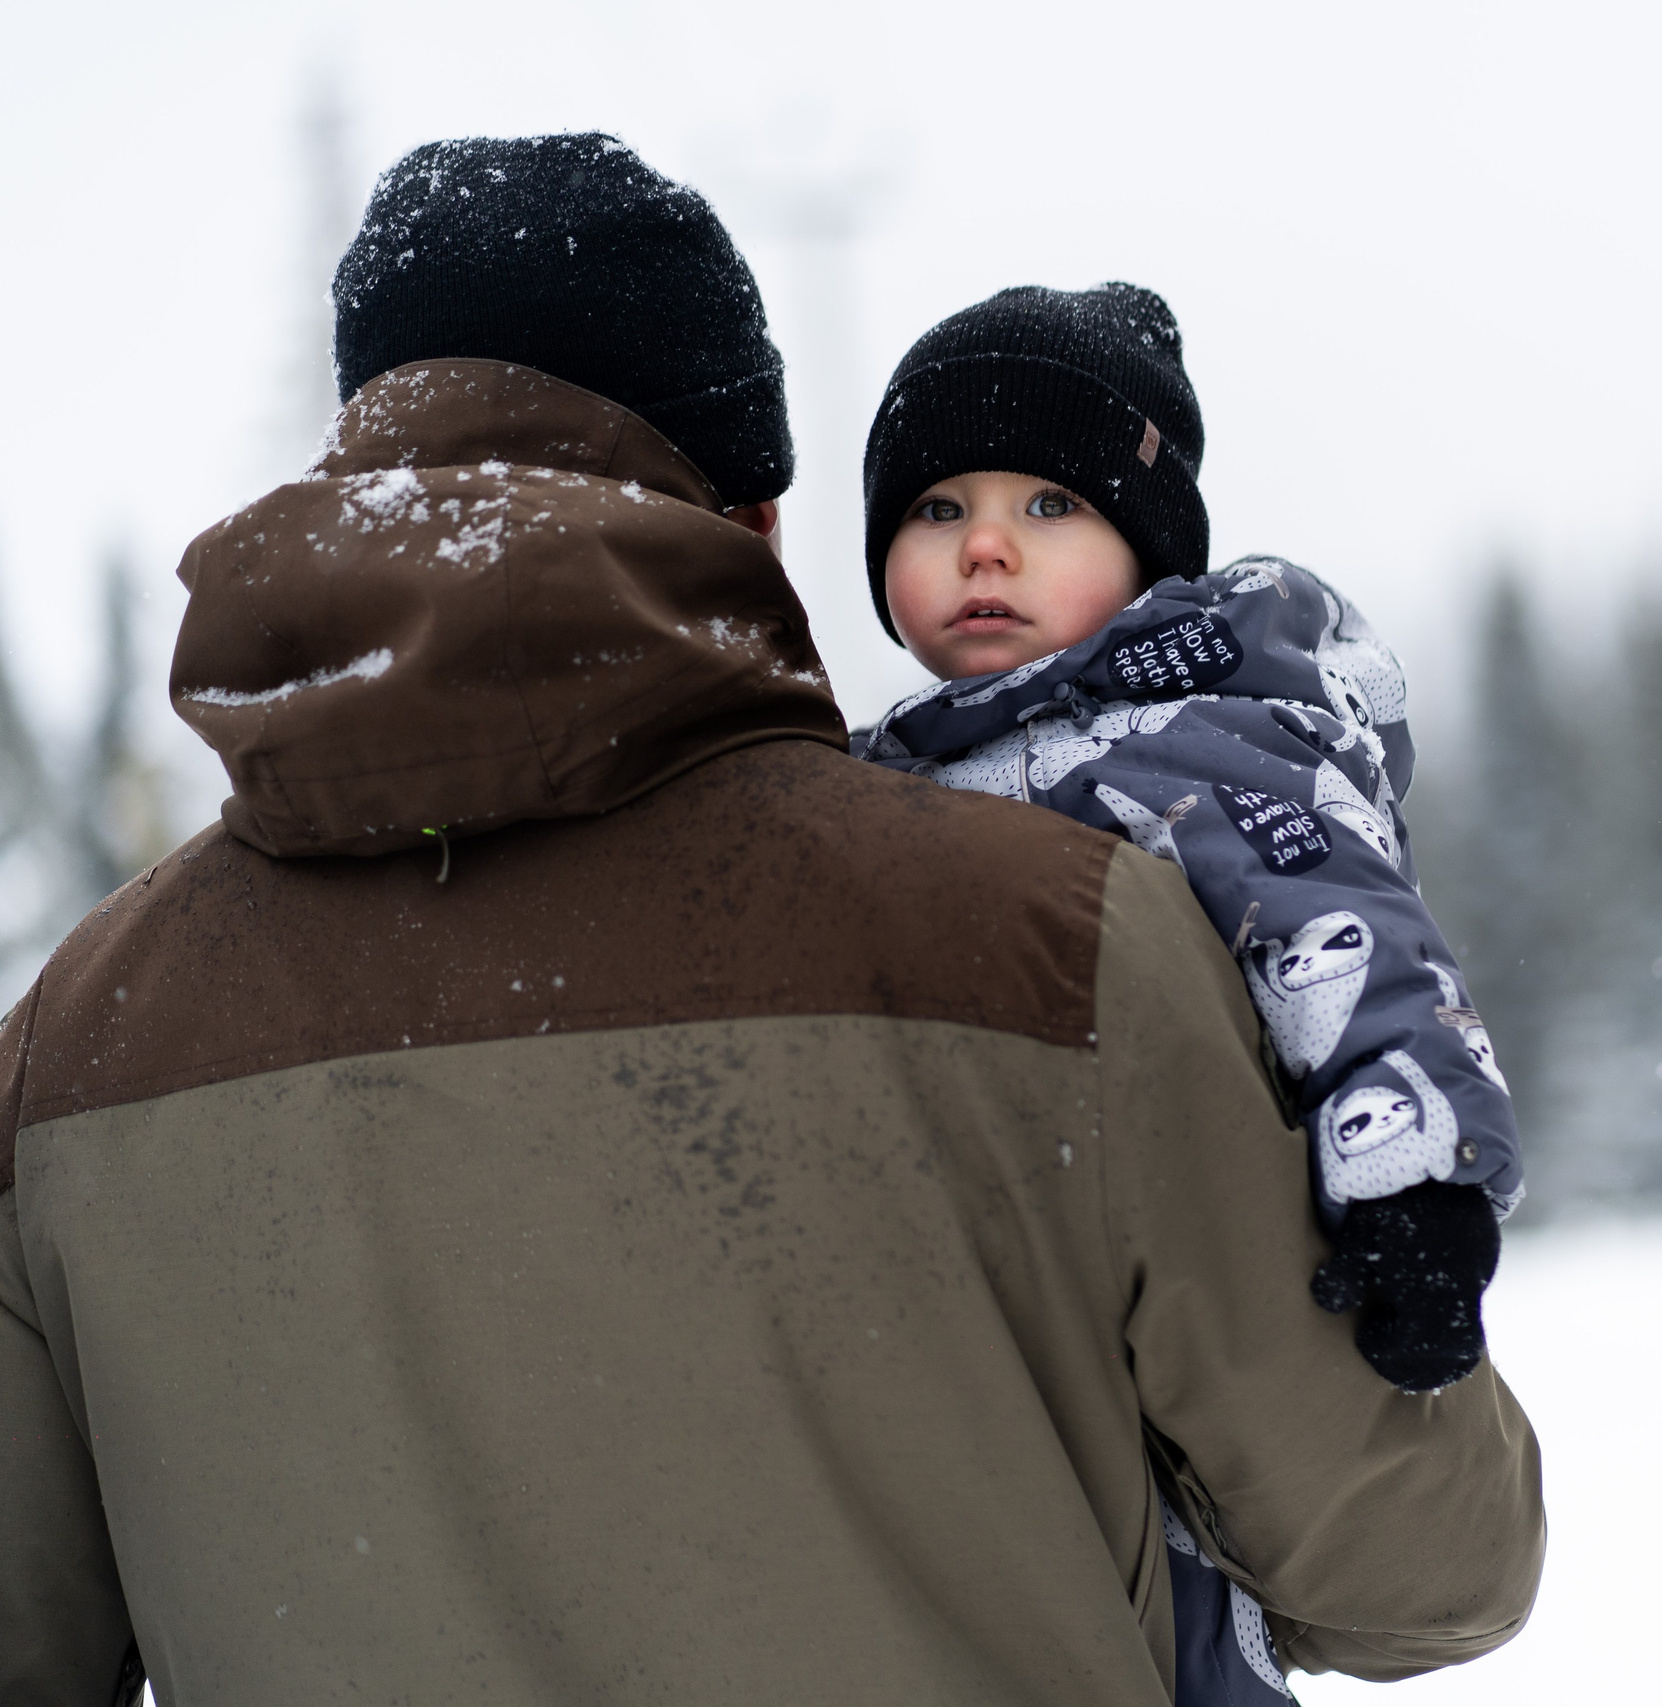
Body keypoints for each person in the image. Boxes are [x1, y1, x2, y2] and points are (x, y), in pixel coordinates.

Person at [0, 133, 1543, 1707]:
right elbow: (1424, 1569)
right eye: (939, 503)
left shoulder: (68, 1046)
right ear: (757, 520)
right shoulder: (1056, 940)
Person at [860, 285, 1524, 1406]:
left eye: (1050, 505)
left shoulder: (1212, 746)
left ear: (1147, 549)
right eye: (934, 509)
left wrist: (1417, 1193)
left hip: (1182, 1311)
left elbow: (1348, 938)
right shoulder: (873, 776)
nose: (983, 546)